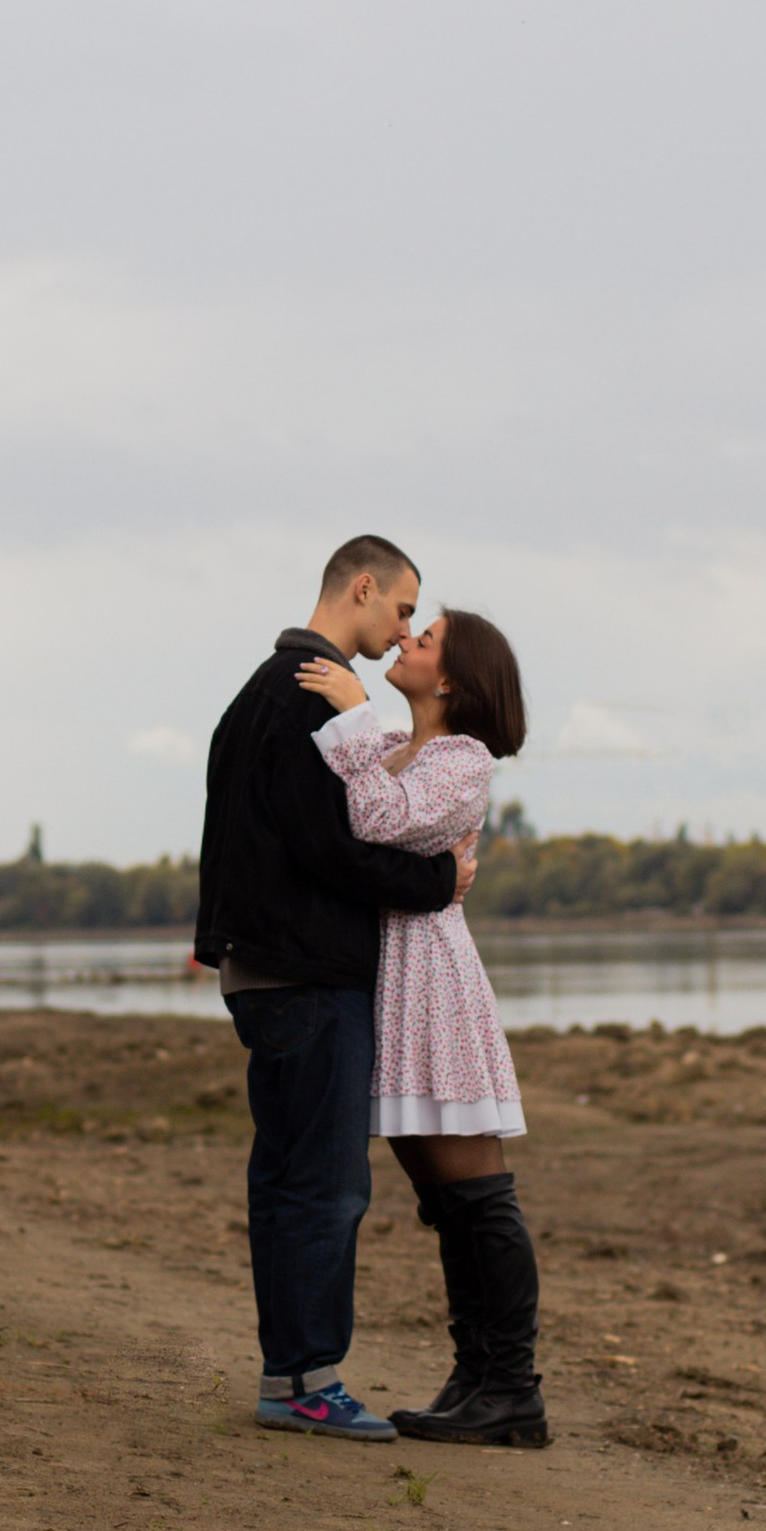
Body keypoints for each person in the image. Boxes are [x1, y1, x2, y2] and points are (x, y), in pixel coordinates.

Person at [194, 536, 474, 1439]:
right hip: (307, 974)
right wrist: (439, 884)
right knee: (322, 1183)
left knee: (283, 1178)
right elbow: (337, 851)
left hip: (262, 969)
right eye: (401, 612)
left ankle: (290, 1375)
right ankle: (307, 1380)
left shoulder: (261, 690)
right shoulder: (311, 695)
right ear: (362, 587)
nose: (401, 638)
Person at [293, 608, 546, 1448]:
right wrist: (366, 729)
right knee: (445, 1199)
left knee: (477, 1194)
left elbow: (372, 822)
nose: (406, 640)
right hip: (385, 982)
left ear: (453, 681)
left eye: (426, 638)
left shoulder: (461, 761)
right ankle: (476, 1377)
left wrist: (354, 714)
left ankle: (513, 1388)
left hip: (430, 985)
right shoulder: (404, 747)